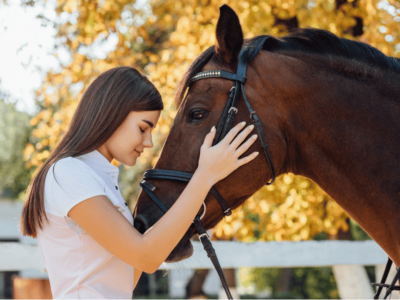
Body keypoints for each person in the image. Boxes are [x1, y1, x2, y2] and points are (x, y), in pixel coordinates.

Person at [20, 66, 258, 299]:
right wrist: (204, 176)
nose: (149, 142)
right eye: (143, 128)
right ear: (112, 115)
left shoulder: (101, 181)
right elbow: (146, 258)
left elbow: (130, 273)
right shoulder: (69, 173)